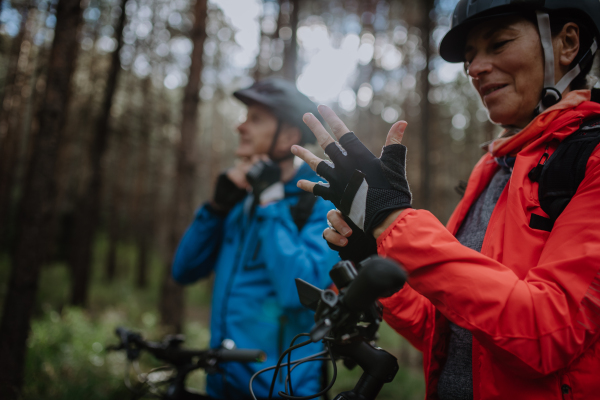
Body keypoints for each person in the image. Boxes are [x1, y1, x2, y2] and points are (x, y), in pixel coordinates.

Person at [290, 0, 600, 399]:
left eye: (499, 43)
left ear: (568, 43)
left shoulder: (590, 160)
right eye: (469, 58)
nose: (474, 68)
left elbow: (544, 334)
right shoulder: (490, 171)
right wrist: (375, 257)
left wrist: (392, 223)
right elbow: (445, 330)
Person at [171, 78, 339, 399]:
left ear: (288, 136)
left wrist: (272, 201)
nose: (241, 127)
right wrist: (216, 209)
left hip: (282, 390)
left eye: (255, 119)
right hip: (222, 384)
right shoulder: (243, 202)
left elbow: (297, 294)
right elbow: (184, 270)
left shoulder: (319, 203)